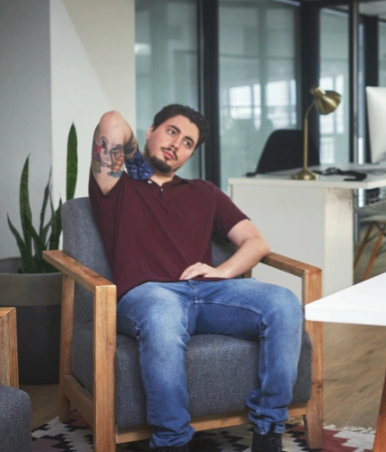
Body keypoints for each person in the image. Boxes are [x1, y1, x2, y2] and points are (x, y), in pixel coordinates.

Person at [89, 104, 302, 452]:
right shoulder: (118, 187)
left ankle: (268, 431)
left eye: (188, 142)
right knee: (162, 314)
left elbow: (257, 242)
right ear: (150, 131)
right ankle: (173, 442)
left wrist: (221, 271)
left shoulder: (204, 192)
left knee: (284, 303)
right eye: (171, 131)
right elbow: (111, 120)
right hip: (149, 294)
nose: (177, 144)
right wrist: (139, 165)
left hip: (210, 293)